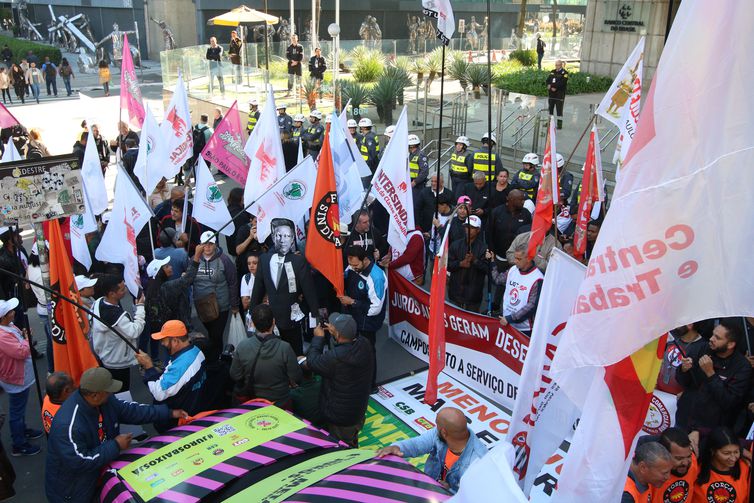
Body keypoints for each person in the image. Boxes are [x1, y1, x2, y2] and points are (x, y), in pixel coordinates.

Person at [45, 367, 188, 503]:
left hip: (98, 477)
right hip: (73, 491)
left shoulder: (105, 401)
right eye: (108, 391)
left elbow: (132, 411)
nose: (111, 394)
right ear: (95, 395)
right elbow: (80, 461)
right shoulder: (68, 425)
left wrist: (168, 413)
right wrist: (116, 445)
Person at [376, 407, 487, 494]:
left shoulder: (478, 463)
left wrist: (449, 491)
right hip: (429, 490)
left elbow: (476, 497)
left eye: (437, 424)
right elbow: (417, 444)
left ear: (444, 432)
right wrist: (397, 447)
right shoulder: (440, 434)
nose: (435, 428)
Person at [250, 218, 319, 356]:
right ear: (273, 237)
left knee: (294, 354)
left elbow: (309, 291)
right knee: (271, 355)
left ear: (293, 238)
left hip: (291, 320)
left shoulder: (299, 261)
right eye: (279, 235)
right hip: (269, 322)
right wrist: (252, 316)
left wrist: (315, 318)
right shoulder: (264, 259)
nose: (282, 240)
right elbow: (258, 289)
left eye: (287, 236)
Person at [306, 313, 373, 447]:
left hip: (340, 419)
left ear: (339, 334)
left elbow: (312, 362)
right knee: (352, 440)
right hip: (357, 412)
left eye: (333, 328)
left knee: (343, 449)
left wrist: (318, 339)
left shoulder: (336, 358)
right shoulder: (364, 344)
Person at [676, 320, 751, 433]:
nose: (711, 339)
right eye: (712, 334)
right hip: (685, 418)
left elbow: (729, 402)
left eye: (717, 338)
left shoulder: (742, 367)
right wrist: (683, 369)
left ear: (730, 344)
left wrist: (711, 374)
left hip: (711, 429)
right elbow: (684, 382)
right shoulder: (700, 348)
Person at [136, 320, 206, 432]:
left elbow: (159, 393)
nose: (162, 344)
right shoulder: (195, 350)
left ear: (175, 341)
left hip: (177, 424)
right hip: (192, 409)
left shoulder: (181, 366)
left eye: (164, 340)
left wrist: (149, 366)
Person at [229, 304, 302, 406]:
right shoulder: (285, 348)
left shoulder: (242, 347)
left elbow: (235, 375)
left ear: (253, 324)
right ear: (273, 321)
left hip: (253, 403)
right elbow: (296, 376)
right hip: (281, 404)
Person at [340, 246, 387, 389]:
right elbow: (346, 274)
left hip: (367, 322)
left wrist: (353, 303)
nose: (353, 268)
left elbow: (375, 308)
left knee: (367, 353)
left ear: (365, 259)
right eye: (351, 264)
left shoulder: (376, 277)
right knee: (355, 351)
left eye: (355, 265)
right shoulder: (352, 266)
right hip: (355, 318)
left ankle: (370, 385)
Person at [0, 298, 43, 456]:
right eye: (10, 311)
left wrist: (25, 337)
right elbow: (21, 352)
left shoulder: (8, 326)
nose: (14, 313)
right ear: (4, 316)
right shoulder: (2, 335)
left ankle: (22, 430)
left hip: (19, 375)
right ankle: (19, 443)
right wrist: (27, 339)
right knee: (17, 410)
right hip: (15, 377)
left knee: (19, 408)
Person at [91, 275, 146, 391]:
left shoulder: (98, 303)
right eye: (122, 289)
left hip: (105, 357)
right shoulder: (117, 317)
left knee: (111, 391)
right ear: (112, 294)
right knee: (122, 393)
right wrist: (140, 307)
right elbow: (134, 331)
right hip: (118, 362)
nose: (125, 290)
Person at [144, 245, 201, 348]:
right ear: (160, 273)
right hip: (177, 330)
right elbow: (189, 278)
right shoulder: (166, 287)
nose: (171, 267)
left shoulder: (154, 289)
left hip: (169, 329)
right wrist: (197, 255)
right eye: (166, 266)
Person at [194, 231, 238, 360]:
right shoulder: (194, 259)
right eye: (205, 244)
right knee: (210, 333)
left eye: (210, 244)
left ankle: (217, 360)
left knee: (216, 335)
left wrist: (234, 304)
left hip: (220, 306)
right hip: (202, 306)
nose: (207, 247)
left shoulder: (224, 260)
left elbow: (232, 282)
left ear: (215, 245)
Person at [496, 241, 544, 336]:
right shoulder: (513, 269)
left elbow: (532, 306)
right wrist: (492, 264)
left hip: (524, 329)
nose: (515, 261)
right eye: (515, 258)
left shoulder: (538, 278)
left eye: (519, 259)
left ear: (528, 258)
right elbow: (498, 280)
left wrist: (510, 318)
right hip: (506, 323)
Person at [693, 427, 750, 503]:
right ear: (713, 451)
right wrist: (696, 431)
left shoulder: (745, 467)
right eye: (726, 453)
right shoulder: (695, 468)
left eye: (736, 452)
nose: (733, 458)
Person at [447, 216, 489, 313]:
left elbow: (488, 270)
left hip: (473, 297)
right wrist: (460, 264)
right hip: (455, 294)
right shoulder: (455, 244)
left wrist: (475, 260)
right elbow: (446, 265)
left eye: (472, 227)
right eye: (466, 227)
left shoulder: (484, 248)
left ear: (478, 230)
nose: (468, 230)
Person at [27, 242, 54, 373]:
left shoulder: (31, 267)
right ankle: (52, 369)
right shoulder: (41, 274)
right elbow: (47, 297)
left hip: (42, 308)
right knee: (54, 343)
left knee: (52, 341)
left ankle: (52, 369)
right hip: (47, 310)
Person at [650, 427, 698, 503]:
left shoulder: (693, 461)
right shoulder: (650, 476)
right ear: (663, 455)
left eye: (689, 456)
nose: (685, 463)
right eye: (679, 458)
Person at [408, 134, 429, 204]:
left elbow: (425, 172)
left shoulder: (421, 155)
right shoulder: (410, 154)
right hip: (410, 182)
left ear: (412, 146)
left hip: (417, 184)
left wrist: (415, 182)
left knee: (416, 203)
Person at [547, 60, 568, 129]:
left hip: (559, 93)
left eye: (558, 65)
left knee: (559, 109)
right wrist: (548, 84)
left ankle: (559, 124)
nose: (556, 66)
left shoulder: (564, 73)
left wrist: (555, 87)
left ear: (561, 65)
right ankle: (549, 122)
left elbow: (563, 83)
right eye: (556, 65)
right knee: (550, 108)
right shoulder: (553, 71)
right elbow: (548, 79)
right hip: (551, 93)